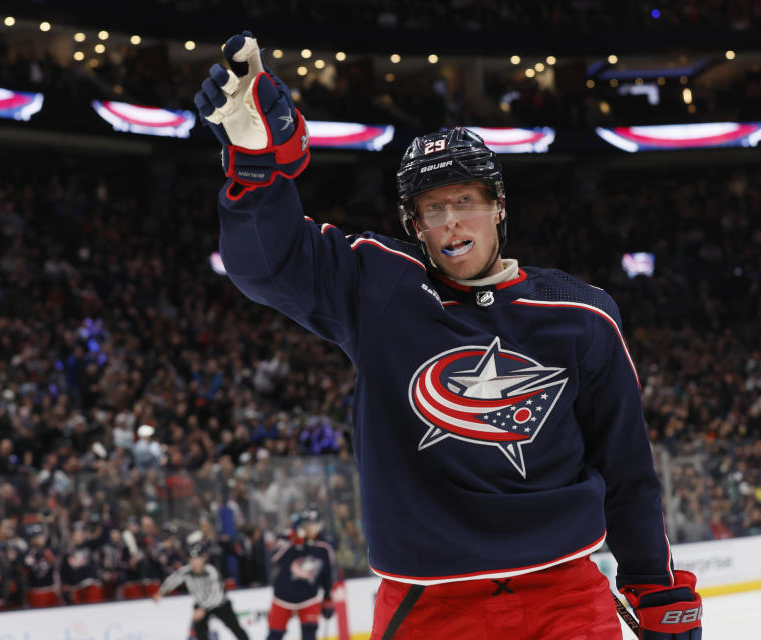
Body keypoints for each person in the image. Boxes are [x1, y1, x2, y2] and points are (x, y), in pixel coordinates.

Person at [195, 32, 703, 639]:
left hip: (563, 596)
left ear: (499, 208)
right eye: (432, 210)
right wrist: (257, 168)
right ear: (415, 225)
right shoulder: (378, 288)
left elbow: (626, 471)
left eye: (465, 201)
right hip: (428, 607)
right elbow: (266, 266)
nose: (452, 222)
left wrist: (653, 584)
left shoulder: (581, 314)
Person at [153, 541, 250, 640]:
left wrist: (202, 609)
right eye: (191, 560)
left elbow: (216, 594)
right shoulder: (186, 571)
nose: (194, 562)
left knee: (235, 628)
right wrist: (161, 592)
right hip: (200, 604)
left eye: (197, 559)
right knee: (200, 632)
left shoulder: (211, 571)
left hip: (219, 604)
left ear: (203, 559)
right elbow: (173, 579)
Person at [266, 507, 336, 640]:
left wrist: (327, 597)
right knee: (275, 635)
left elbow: (328, 574)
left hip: (309, 598)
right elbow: (274, 558)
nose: (312, 528)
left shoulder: (324, 547)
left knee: (310, 634)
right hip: (283, 597)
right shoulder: (288, 538)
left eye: (315, 524)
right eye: (309, 524)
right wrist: (294, 543)